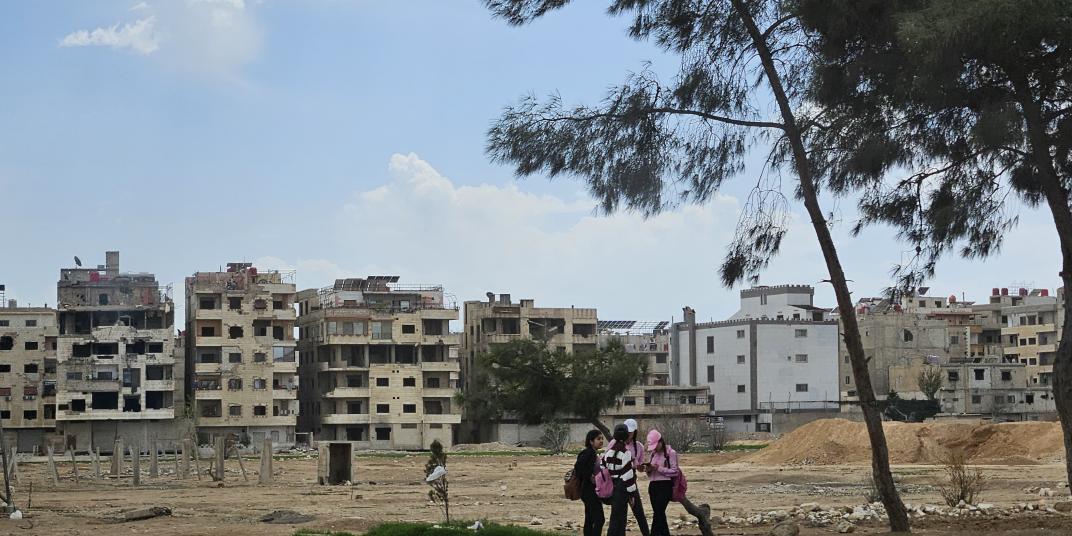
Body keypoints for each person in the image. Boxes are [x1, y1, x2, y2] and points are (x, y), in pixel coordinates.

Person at [606, 419, 650, 536]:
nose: (629, 435)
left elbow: (605, 463)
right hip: (624, 484)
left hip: (628, 481)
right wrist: (631, 493)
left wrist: (641, 467)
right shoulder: (623, 451)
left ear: (635, 432)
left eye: (631, 432)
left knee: (637, 513)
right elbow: (626, 472)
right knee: (618, 516)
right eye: (627, 432)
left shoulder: (638, 446)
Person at [603, 424, 638, 536]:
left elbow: (603, 468)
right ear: (627, 436)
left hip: (612, 488)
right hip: (622, 489)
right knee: (620, 519)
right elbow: (628, 475)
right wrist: (632, 494)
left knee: (614, 517)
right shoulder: (626, 453)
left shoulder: (608, 453)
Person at [643, 429, 679, 536]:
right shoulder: (653, 454)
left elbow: (675, 472)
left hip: (665, 486)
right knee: (659, 514)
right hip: (653, 486)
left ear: (660, 442)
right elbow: (650, 473)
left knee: (658, 512)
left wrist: (659, 468)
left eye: (655, 446)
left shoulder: (671, 453)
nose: (654, 449)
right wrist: (648, 470)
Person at [574, 429, 605, 536]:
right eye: (598, 439)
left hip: (589, 491)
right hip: (589, 492)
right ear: (591, 441)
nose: (601, 441)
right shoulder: (589, 453)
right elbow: (578, 467)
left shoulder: (592, 453)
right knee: (600, 519)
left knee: (589, 520)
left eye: (602, 439)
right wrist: (588, 476)